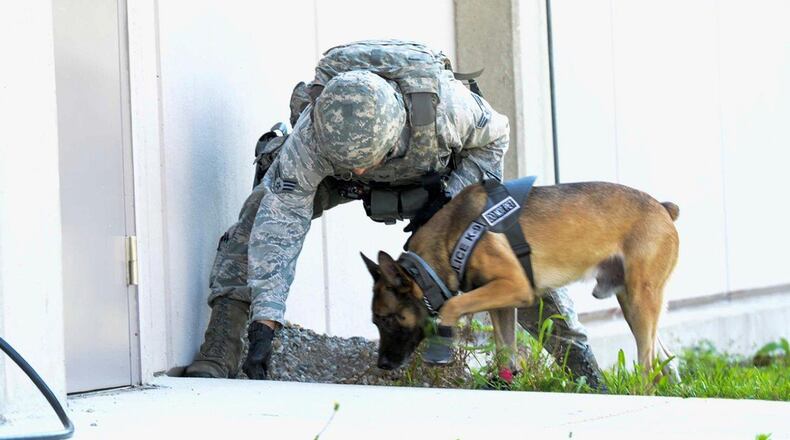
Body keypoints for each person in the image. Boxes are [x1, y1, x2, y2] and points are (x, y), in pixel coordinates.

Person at [184, 40, 605, 389]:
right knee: (255, 220)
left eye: (371, 160)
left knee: (510, 246)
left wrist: (449, 206)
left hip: (435, 178)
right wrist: (266, 321)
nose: (366, 171)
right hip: (336, 177)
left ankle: (582, 366)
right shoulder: (312, 138)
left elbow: (497, 137)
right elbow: (280, 226)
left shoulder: (445, 111)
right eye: (357, 165)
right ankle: (223, 345)